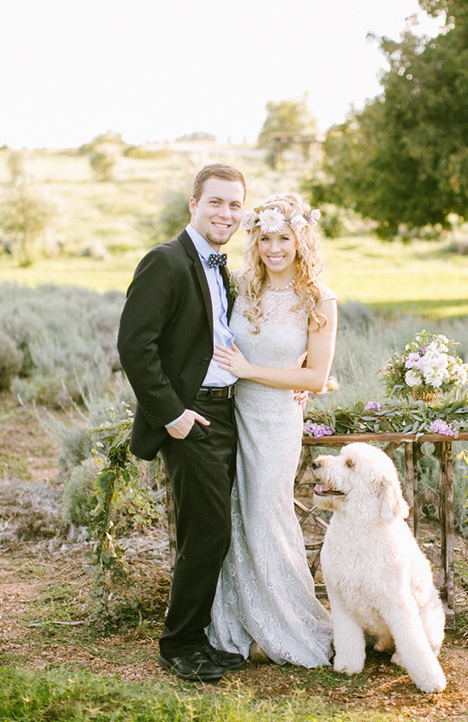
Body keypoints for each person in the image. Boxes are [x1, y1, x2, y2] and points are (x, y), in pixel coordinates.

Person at [117, 163, 248, 682]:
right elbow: (135, 345)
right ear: (193, 204)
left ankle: (198, 638)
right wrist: (172, 416)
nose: (226, 213)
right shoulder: (165, 261)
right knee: (209, 531)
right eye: (216, 202)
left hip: (226, 410)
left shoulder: (221, 268)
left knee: (207, 530)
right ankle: (179, 644)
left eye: (235, 204)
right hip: (189, 415)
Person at [207, 193, 337, 667]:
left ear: (301, 240)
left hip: (277, 419)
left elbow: (315, 377)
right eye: (266, 237)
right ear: (255, 240)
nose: (275, 247)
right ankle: (238, 622)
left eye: (285, 237)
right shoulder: (240, 285)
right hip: (230, 415)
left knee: (266, 513)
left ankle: (288, 624)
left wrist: (248, 369)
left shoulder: (319, 299)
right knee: (233, 515)